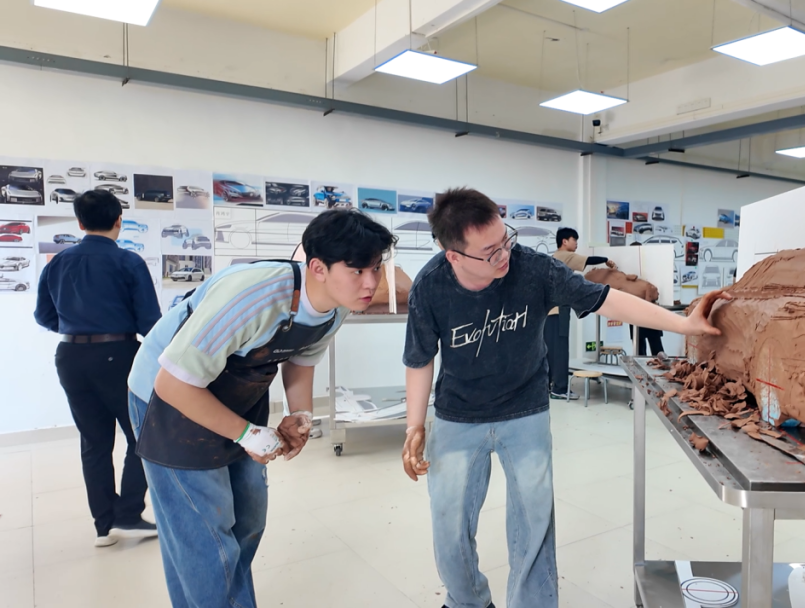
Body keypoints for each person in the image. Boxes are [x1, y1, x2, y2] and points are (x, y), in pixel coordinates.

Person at [400, 188, 728, 608]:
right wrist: (414, 425)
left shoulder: (534, 269)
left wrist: (682, 325)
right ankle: (466, 600)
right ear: (454, 256)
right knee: (449, 524)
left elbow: (607, 299)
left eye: (506, 240)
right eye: (490, 252)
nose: (504, 255)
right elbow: (419, 359)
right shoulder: (431, 287)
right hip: (457, 415)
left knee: (534, 522)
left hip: (525, 409)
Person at [126, 208, 395, 607]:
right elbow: (173, 382)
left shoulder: (338, 306)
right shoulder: (252, 297)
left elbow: (302, 359)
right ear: (318, 268)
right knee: (204, 533)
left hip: (238, 397)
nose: (371, 282)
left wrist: (300, 414)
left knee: (248, 519)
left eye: (376, 268)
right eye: (357, 271)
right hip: (169, 400)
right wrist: (246, 434)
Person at [34, 189, 161, 548]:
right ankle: (128, 513)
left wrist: (77, 326)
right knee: (143, 434)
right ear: (119, 221)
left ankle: (103, 526)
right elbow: (150, 323)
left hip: (70, 357)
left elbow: (43, 316)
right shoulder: (128, 262)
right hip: (118, 355)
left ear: (80, 223)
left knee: (94, 442)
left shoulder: (57, 263)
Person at [545, 227, 616, 400]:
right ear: (564, 241)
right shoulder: (565, 255)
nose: (576, 243)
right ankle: (560, 389)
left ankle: (549, 385)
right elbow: (589, 260)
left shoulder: (554, 256)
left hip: (549, 312)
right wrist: (606, 260)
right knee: (561, 350)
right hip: (559, 310)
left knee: (550, 350)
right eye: (574, 240)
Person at [628, 241, 666, 357]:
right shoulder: (627, 269)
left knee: (656, 346)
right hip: (635, 310)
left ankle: (661, 365)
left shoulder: (650, 267)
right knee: (639, 347)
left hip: (649, 309)